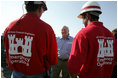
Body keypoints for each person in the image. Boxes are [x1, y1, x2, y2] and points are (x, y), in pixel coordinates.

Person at [3, 1, 58, 78]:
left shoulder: (10, 26)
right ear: (40, 8)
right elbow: (53, 59)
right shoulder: (46, 29)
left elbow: (7, 47)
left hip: (16, 73)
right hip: (38, 74)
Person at [67, 1, 117, 78]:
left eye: (82, 18)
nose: (82, 22)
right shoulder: (111, 35)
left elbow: (73, 67)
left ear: (87, 16)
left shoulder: (83, 34)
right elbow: (115, 60)